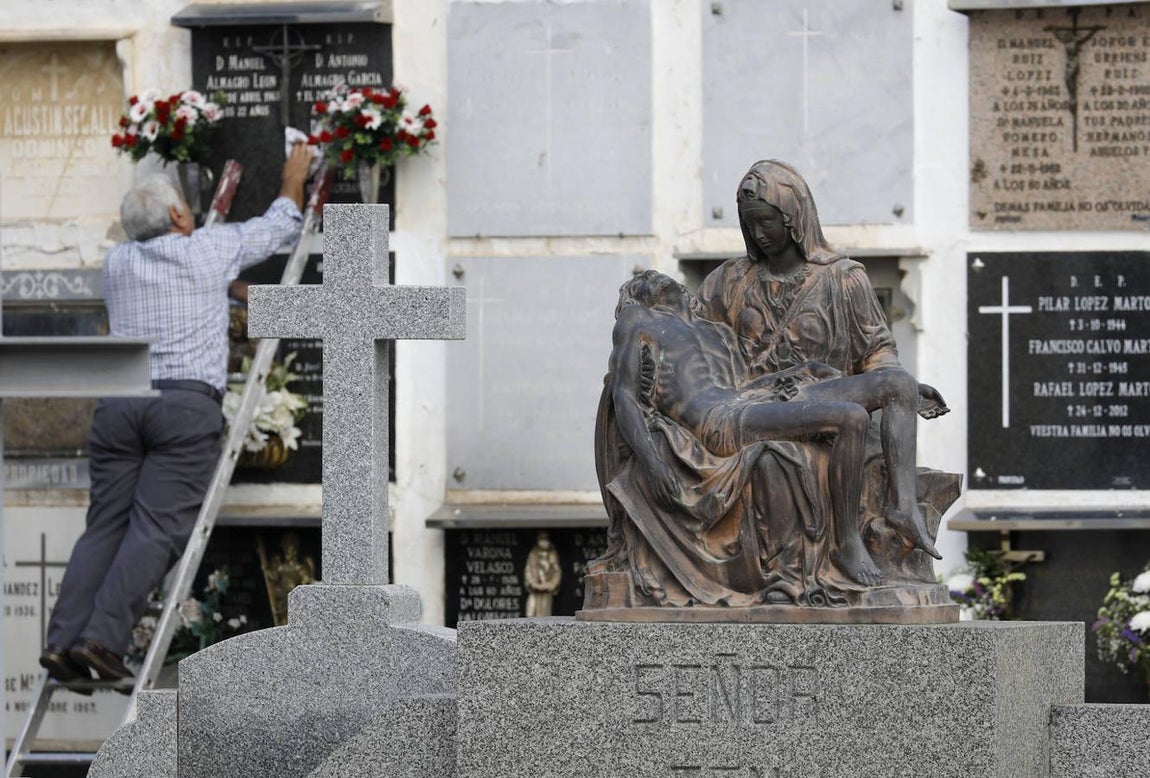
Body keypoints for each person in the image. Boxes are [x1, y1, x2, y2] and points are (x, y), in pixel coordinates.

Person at [39, 144, 314, 688]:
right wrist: (293, 176)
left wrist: (228, 289)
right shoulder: (207, 250)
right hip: (182, 409)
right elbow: (281, 226)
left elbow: (188, 282)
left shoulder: (116, 263)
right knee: (156, 527)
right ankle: (102, 641)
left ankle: (61, 641)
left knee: (105, 527)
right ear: (178, 216)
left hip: (118, 407)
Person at [697, 160, 948, 561]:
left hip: (819, 391)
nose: (759, 234)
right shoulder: (726, 283)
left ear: (795, 217)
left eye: (767, 222)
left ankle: (903, 506)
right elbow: (697, 350)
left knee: (898, 384)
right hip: (755, 403)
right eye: (750, 225)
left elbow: (878, 351)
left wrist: (895, 385)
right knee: (848, 414)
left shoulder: (843, 278)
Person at [606, 270, 883, 595]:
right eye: (652, 277)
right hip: (716, 422)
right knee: (850, 418)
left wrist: (799, 372)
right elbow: (624, 394)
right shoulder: (639, 317)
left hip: (742, 405)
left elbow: (741, 385)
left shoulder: (714, 332)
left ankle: (884, 517)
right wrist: (652, 462)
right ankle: (846, 543)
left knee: (879, 395)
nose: (661, 276)